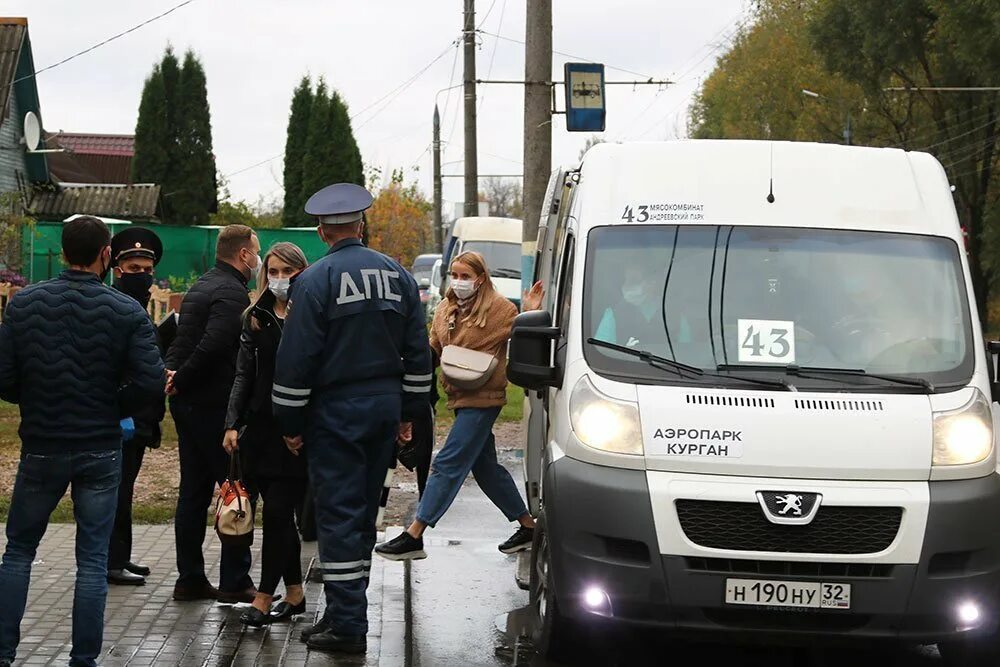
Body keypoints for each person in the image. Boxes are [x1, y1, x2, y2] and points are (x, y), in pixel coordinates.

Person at [273, 183, 432, 654]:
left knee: (339, 515)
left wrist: (289, 422)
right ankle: (346, 613)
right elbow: (418, 353)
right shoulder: (399, 276)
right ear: (361, 225)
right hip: (383, 409)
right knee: (363, 513)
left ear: (322, 231)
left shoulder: (314, 281)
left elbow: (296, 359)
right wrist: (408, 414)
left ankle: (348, 626)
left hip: (335, 412)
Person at [0, 217, 164, 667]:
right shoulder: (126, 311)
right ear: (106, 254)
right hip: (99, 445)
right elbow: (150, 381)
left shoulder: (23, 304)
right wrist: (111, 406)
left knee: (18, 550)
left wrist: (35, 398)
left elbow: (5, 377)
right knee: (92, 560)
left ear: (63, 251)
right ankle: (84, 659)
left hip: (43, 443)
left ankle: (5, 652)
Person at [375, 251, 537, 562]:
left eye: (466, 276)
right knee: (485, 467)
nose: (460, 282)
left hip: (485, 397)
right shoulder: (444, 309)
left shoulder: (500, 310)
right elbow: (432, 351)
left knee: (448, 463)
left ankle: (414, 534)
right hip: (459, 396)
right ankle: (528, 526)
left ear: (481, 278)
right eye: (456, 275)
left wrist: (531, 312)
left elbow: (523, 336)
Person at [166, 224, 262, 604]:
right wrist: (183, 376)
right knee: (236, 490)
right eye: (256, 251)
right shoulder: (232, 292)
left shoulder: (201, 286)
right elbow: (214, 343)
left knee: (192, 492)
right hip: (216, 409)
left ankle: (189, 578)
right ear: (243, 255)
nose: (258, 258)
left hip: (188, 405)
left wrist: (172, 375)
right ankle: (235, 579)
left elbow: (180, 340)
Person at [222, 243, 310, 627]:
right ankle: (294, 593)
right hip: (259, 429)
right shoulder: (254, 317)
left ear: (301, 274)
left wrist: (302, 427)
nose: (279, 279)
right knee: (277, 518)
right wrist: (231, 422)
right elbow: (243, 374)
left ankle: (262, 597)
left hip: (295, 434)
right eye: (273, 271)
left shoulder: (311, 315)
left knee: (277, 513)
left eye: (288, 272)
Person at [107, 227, 167, 587]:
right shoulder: (115, 306)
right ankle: (111, 560)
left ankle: (121, 555)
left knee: (125, 488)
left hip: (141, 416)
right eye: (133, 269)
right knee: (116, 490)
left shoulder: (138, 306)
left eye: (147, 270)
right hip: (122, 416)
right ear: (117, 269)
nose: (142, 276)